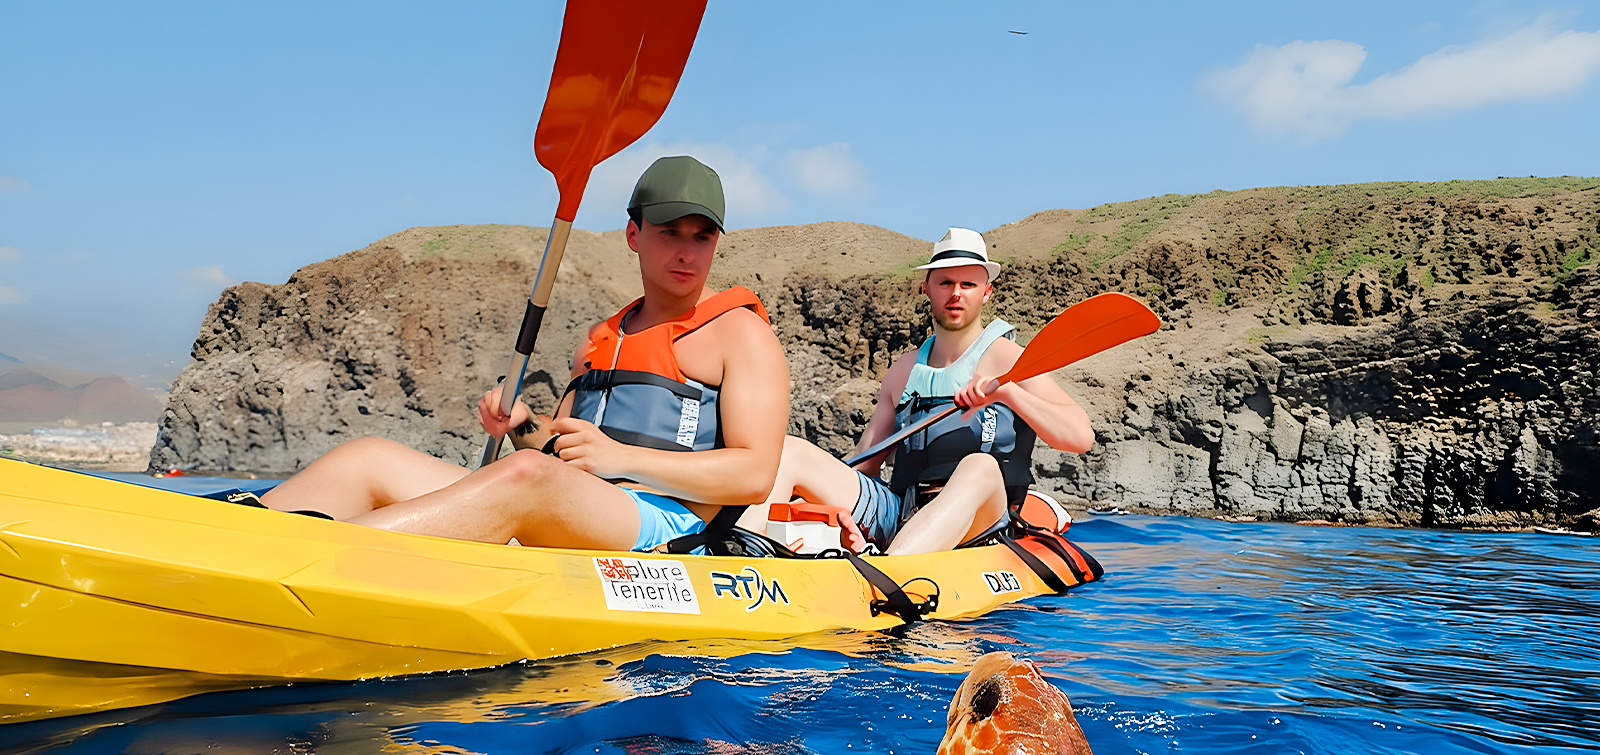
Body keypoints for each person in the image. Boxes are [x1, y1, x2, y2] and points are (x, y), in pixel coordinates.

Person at [260, 156, 790, 551]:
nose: (685, 251)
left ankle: (302, 556)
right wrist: (522, 423)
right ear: (634, 234)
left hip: (665, 523)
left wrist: (622, 459)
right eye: (669, 232)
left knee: (526, 478)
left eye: (702, 236)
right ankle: (235, 536)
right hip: (571, 500)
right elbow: (557, 451)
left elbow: (753, 474)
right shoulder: (604, 335)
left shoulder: (741, 335)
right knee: (368, 457)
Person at [744, 228, 1093, 555]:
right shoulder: (903, 371)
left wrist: (1008, 394)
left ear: (986, 292)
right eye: (945, 283)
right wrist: (814, 503)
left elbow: (1080, 436)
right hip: (901, 511)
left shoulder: (1010, 358)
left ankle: (888, 571)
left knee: (979, 466)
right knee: (791, 451)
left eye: (968, 284)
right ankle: (739, 555)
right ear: (926, 288)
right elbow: (865, 461)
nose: (956, 293)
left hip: (982, 520)